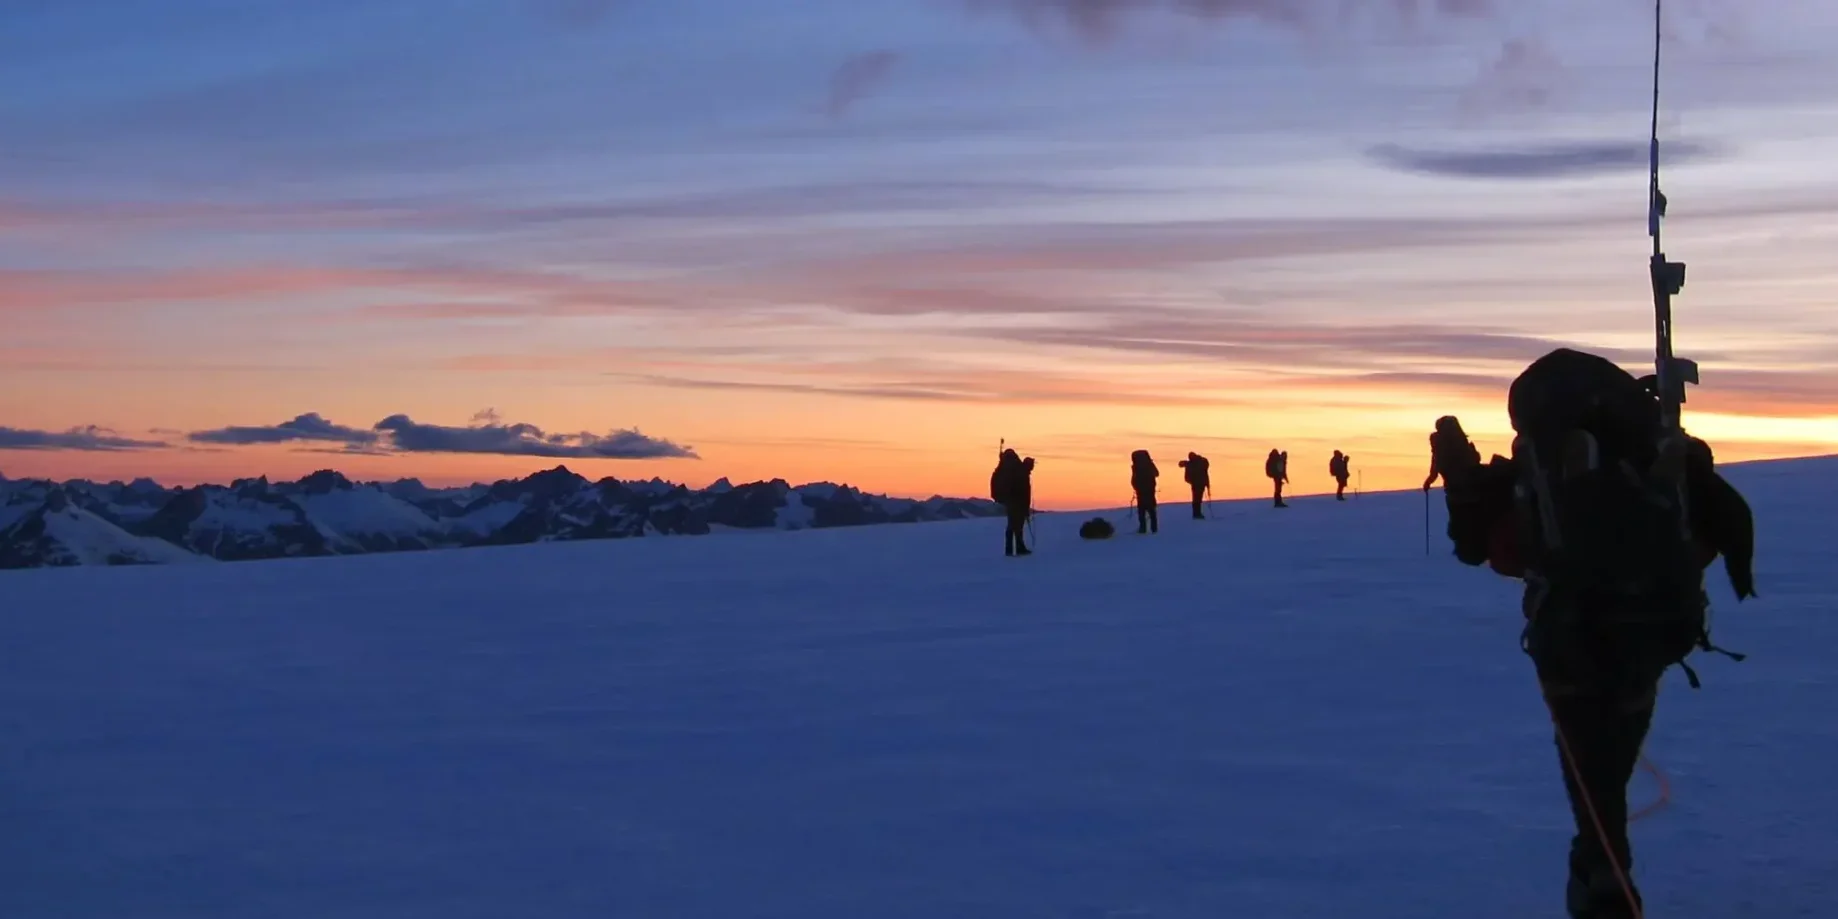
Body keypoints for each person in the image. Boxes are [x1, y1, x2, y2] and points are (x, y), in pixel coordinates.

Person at [1432, 348, 1756, 919]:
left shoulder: (1535, 470)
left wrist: (1466, 488)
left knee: (1590, 767)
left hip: (1571, 641)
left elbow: (1487, 550)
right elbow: (1710, 535)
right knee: (1611, 754)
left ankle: (1603, 874)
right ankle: (1603, 864)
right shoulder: (1648, 447)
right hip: (1653, 631)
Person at [989, 448, 1034, 557]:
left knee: (1014, 525)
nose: (1032, 468)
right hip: (1016, 502)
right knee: (1016, 525)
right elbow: (1023, 491)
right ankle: (1017, 548)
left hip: (1011, 501)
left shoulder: (1016, 469)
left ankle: (1012, 549)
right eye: (1032, 466)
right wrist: (1024, 506)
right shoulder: (1020, 472)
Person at [1423, 415, 1480, 492]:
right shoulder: (1461, 442)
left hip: (1455, 489)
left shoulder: (1439, 445)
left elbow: (1435, 469)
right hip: (1466, 488)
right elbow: (1474, 462)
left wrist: (1428, 482)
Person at [1129, 449, 1159, 534]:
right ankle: (1154, 529)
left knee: (1141, 510)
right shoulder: (1149, 464)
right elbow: (1157, 473)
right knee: (1151, 509)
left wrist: (1135, 486)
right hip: (1149, 489)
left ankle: (1143, 529)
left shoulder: (1136, 466)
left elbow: (1133, 479)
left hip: (1141, 490)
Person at [1178, 451, 1211, 519]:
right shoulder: (1195, 462)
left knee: (1197, 499)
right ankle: (1196, 514)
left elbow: (1205, 465)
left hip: (1199, 483)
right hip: (1197, 484)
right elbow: (1181, 464)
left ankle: (1197, 514)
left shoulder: (1199, 462)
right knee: (1196, 499)